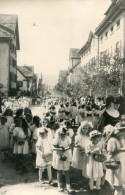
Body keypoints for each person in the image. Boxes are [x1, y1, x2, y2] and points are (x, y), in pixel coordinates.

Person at [52, 127, 73, 193]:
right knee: (59, 171)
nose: (63, 135)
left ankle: (68, 185)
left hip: (66, 155)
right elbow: (53, 147)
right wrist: (59, 148)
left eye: (65, 134)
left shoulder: (68, 138)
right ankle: (59, 185)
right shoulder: (57, 139)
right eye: (62, 134)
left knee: (67, 171)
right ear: (59, 133)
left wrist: (67, 148)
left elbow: (70, 145)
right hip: (59, 155)